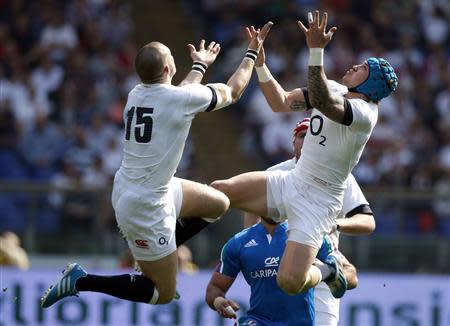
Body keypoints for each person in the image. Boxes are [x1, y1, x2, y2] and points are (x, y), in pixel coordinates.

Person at [40, 21, 273, 308]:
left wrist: (200, 66)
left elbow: (181, 94)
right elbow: (233, 91)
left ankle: (157, 256)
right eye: (172, 59)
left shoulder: (137, 93)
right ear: (168, 70)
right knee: (161, 293)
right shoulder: (177, 98)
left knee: (218, 203)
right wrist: (251, 54)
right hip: (145, 205)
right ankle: (80, 280)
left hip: (147, 187)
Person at [211, 10, 397, 300]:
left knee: (289, 281)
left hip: (319, 200)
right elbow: (280, 102)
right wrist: (261, 66)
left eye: (363, 67)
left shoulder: (365, 113)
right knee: (218, 192)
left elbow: (323, 100)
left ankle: (329, 270)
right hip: (294, 181)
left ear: (370, 84)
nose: (354, 65)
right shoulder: (335, 88)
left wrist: (316, 51)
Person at [243, 118, 375, 326]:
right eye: (303, 135)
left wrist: (337, 224)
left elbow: (367, 221)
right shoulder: (274, 174)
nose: (308, 141)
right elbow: (251, 214)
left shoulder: (340, 175)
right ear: (293, 141)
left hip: (320, 269)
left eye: (314, 137)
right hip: (276, 271)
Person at [206, 216, 338, 326]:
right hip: (259, 321)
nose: (271, 202)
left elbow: (347, 274)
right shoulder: (238, 243)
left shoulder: (309, 235)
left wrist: (326, 272)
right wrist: (218, 301)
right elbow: (215, 288)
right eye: (267, 197)